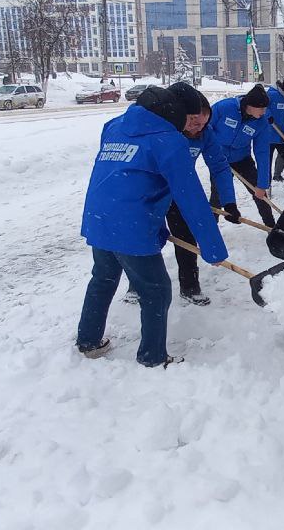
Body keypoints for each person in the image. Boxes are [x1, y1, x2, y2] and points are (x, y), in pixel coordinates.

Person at [75, 86, 229, 367]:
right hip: (131, 227)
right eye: (191, 118)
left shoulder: (115, 125)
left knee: (103, 278)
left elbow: (127, 177)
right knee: (156, 290)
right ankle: (153, 357)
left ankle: (88, 339)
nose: (193, 126)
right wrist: (213, 248)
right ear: (178, 112)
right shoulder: (170, 142)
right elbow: (191, 199)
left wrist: (155, 223)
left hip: (100, 218)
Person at [163, 82, 241, 306]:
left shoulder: (205, 134)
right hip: (155, 194)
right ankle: (136, 284)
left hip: (181, 192)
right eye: (195, 122)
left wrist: (229, 202)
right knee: (147, 240)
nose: (199, 127)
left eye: (204, 123)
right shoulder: (165, 133)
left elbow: (219, 166)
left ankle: (189, 286)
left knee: (186, 237)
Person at [207, 84, 275, 226]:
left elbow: (262, 152)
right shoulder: (224, 108)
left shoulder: (261, 123)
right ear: (250, 105)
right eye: (262, 108)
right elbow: (206, 128)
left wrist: (262, 185)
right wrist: (212, 151)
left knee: (260, 195)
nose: (264, 112)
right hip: (220, 160)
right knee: (217, 196)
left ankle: (271, 226)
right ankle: (210, 229)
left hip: (243, 159)